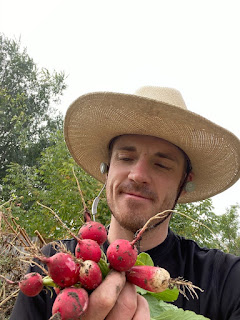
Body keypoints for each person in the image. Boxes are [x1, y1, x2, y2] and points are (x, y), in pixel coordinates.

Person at [10, 86, 240, 320]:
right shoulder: (52, 262)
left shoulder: (226, 278)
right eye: (126, 158)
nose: (137, 175)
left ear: (184, 183)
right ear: (107, 169)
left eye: (161, 164)